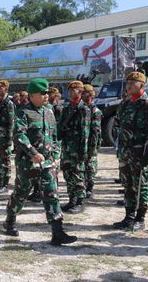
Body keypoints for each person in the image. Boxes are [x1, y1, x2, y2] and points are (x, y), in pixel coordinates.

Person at [3, 78, 77, 246]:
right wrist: (33, 152)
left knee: (52, 194)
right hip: (28, 163)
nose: (46, 96)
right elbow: (19, 135)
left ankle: (57, 232)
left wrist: (56, 155)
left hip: (47, 162)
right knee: (21, 194)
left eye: (47, 93)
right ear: (32, 95)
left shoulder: (49, 111)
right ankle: (10, 219)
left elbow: (55, 137)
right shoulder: (23, 112)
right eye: (42, 93)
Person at [112, 72, 148, 231]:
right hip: (125, 151)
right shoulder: (126, 103)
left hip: (140, 152)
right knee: (128, 184)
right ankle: (129, 216)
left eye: (134, 82)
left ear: (142, 84)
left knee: (141, 185)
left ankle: (140, 217)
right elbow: (118, 124)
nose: (130, 85)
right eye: (128, 82)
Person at [58, 81, 91, 214]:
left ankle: (80, 202)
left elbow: (85, 133)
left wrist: (82, 152)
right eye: (70, 90)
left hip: (77, 149)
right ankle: (72, 199)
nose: (71, 92)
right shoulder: (67, 108)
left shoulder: (83, 109)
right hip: (67, 147)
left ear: (81, 91)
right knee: (68, 174)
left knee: (78, 176)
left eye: (74, 90)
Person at [82, 84, 102, 199]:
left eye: (84, 92)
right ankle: (84, 186)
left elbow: (95, 131)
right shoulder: (83, 108)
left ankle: (90, 187)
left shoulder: (95, 110)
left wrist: (92, 147)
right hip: (83, 142)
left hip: (90, 143)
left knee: (90, 165)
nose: (81, 94)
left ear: (90, 94)